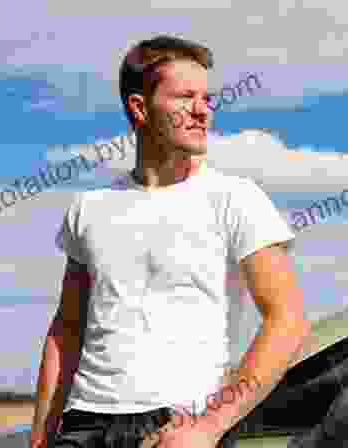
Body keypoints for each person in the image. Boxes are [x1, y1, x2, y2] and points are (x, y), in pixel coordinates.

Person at [29, 34, 311, 448]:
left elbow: (288, 321)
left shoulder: (236, 198)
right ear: (140, 108)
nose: (203, 111)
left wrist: (210, 426)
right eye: (185, 97)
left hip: (180, 428)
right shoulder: (89, 208)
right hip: (84, 424)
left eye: (207, 98)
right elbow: (66, 330)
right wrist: (40, 439)